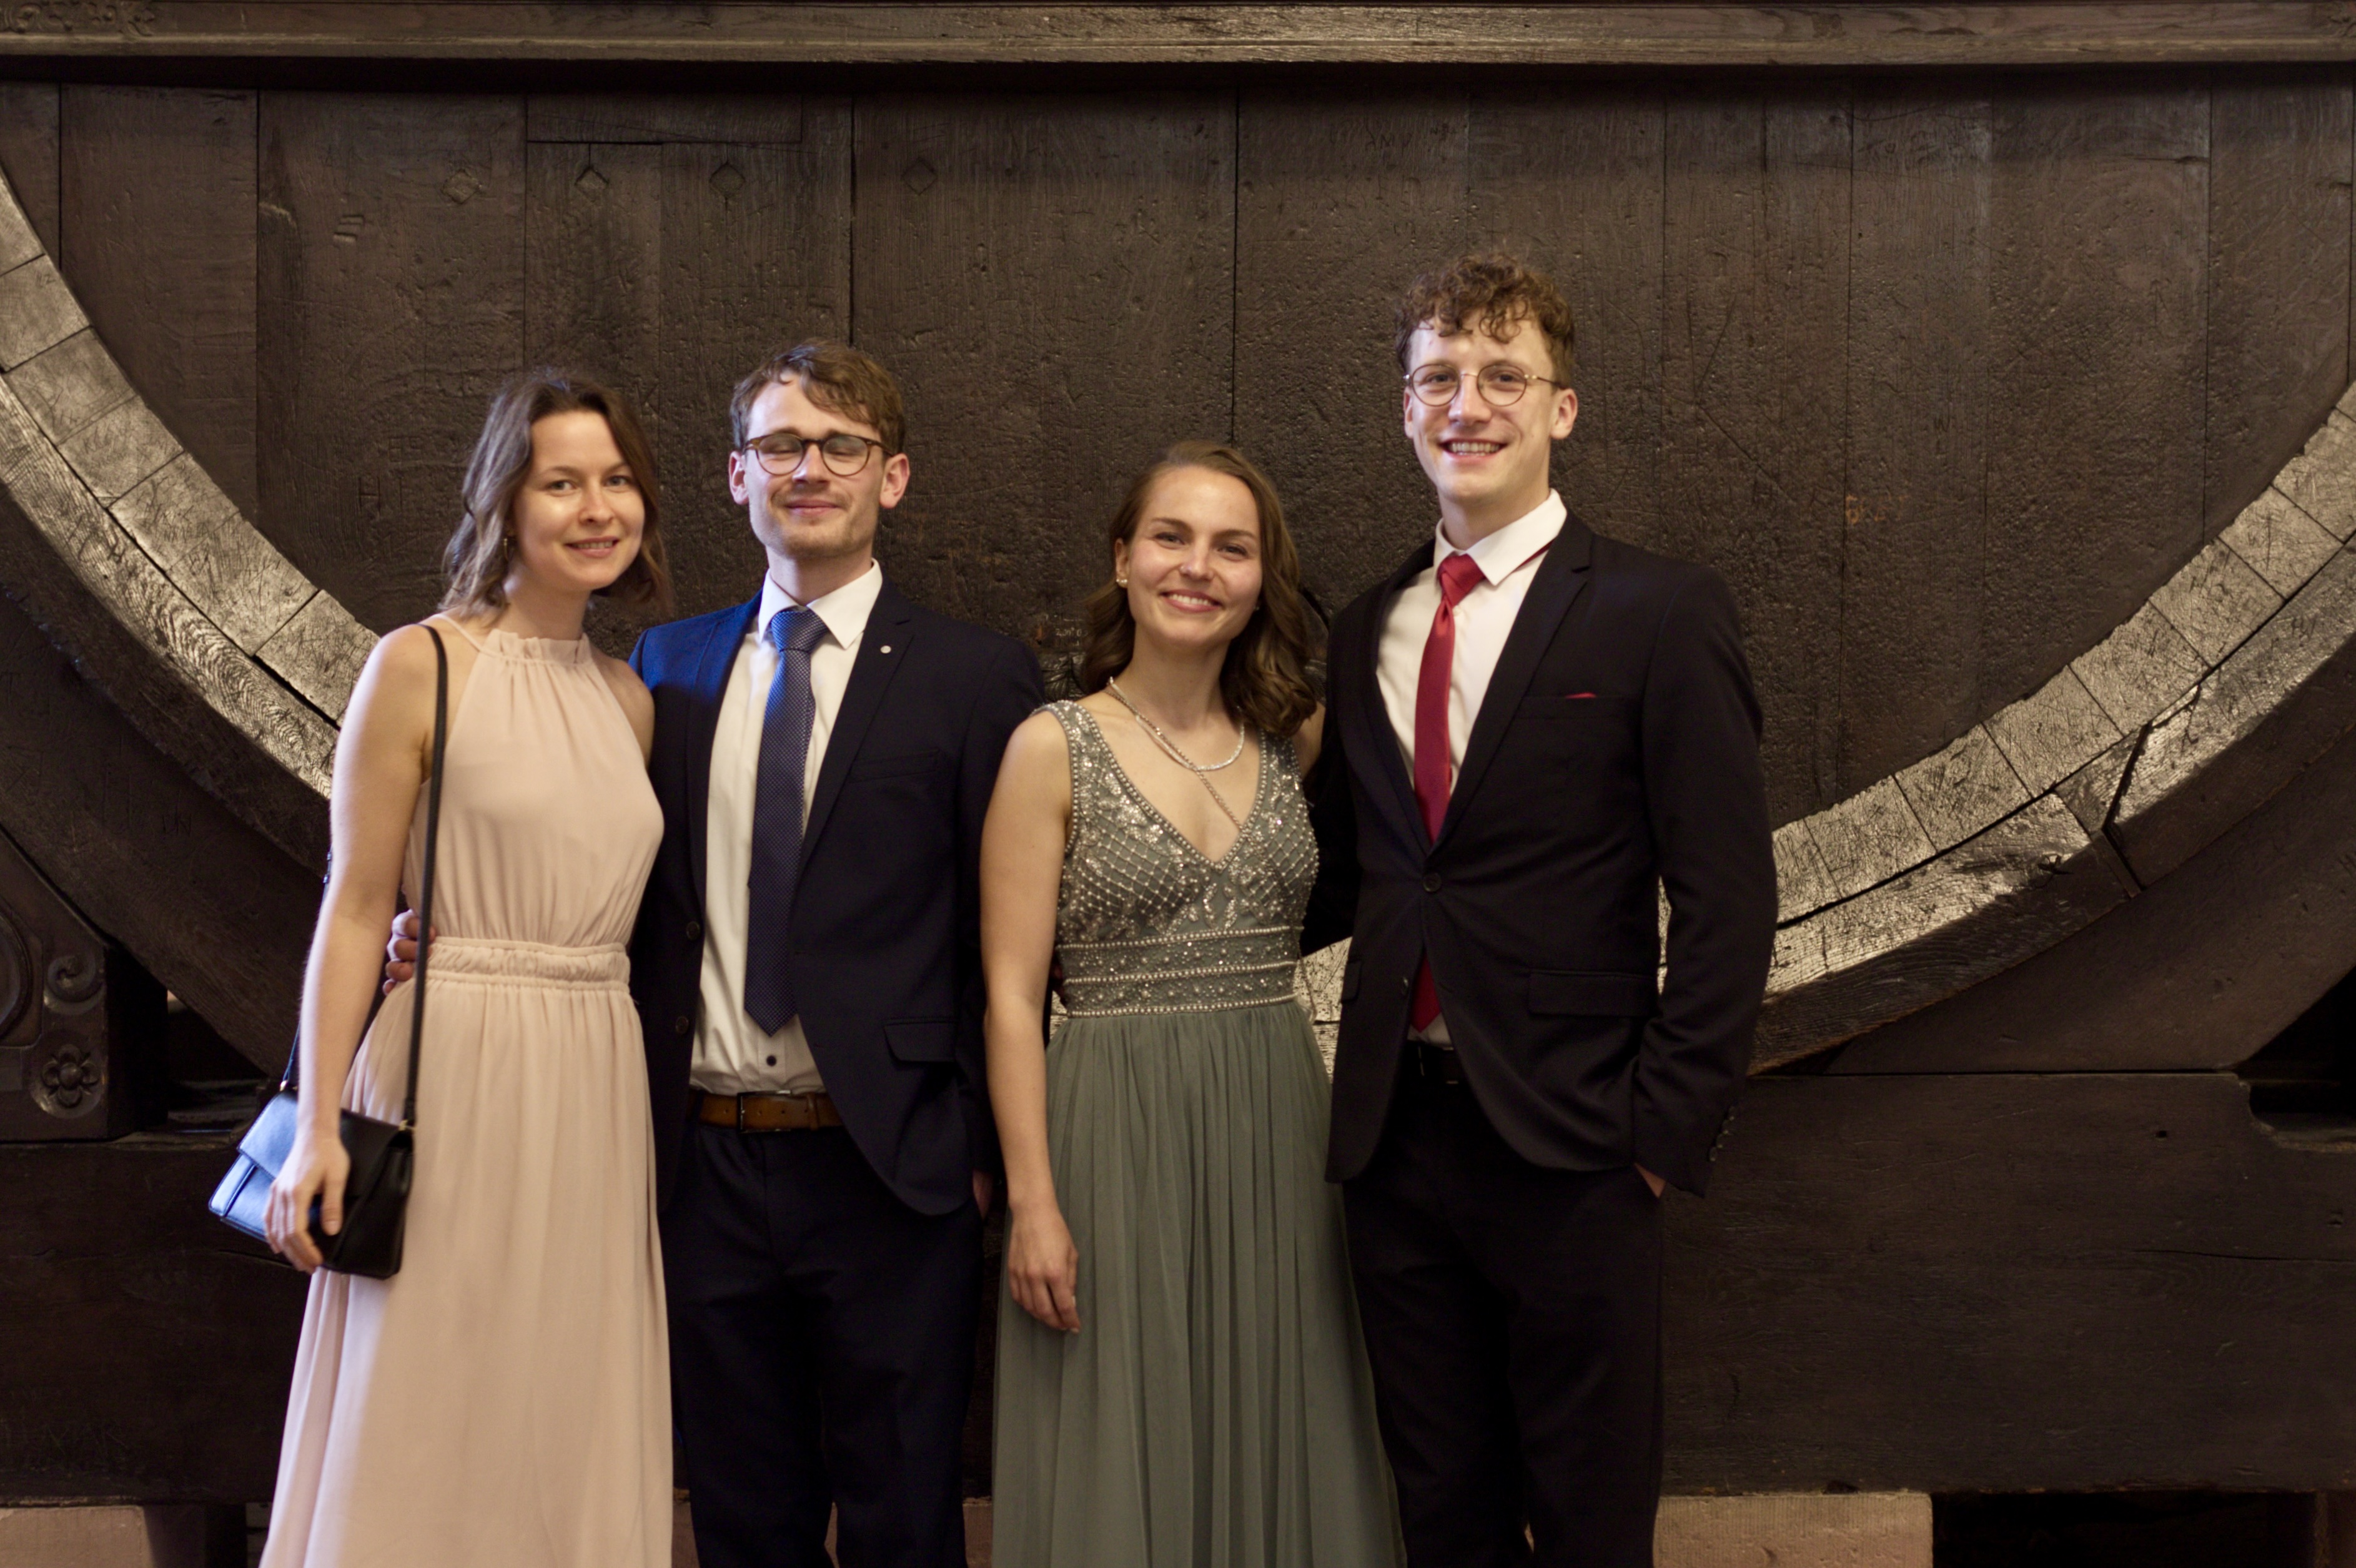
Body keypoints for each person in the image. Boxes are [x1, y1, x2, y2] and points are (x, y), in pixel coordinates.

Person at [1304, 255, 1778, 1568]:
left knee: (1587, 1520)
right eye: (1439, 378)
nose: (1469, 404)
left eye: (1503, 376)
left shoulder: (1658, 610)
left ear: (1560, 408)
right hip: (1393, 1141)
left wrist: (1657, 1134)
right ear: (1405, 409)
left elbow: (1729, 897)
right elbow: (1351, 872)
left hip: (1579, 1144)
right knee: (1441, 1513)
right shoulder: (1369, 626)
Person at [261, 372, 674, 1566]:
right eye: (562, 483)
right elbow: (355, 910)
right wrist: (318, 1127)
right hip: (455, 1073)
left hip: (593, 1079)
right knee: (431, 1388)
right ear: (505, 500)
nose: (596, 509)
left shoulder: (628, 699)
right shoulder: (420, 665)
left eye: (617, 481)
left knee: (564, 1398)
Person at [982, 442, 1402, 1567]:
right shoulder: (1051, 747)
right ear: (1123, 559)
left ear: (1263, 581)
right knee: (1128, 1423)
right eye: (1171, 538)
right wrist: (1033, 1203)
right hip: (1112, 1132)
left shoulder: (1297, 736)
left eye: (1232, 548)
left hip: (1277, 1124)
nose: (1198, 568)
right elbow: (1011, 999)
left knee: (1284, 1414)